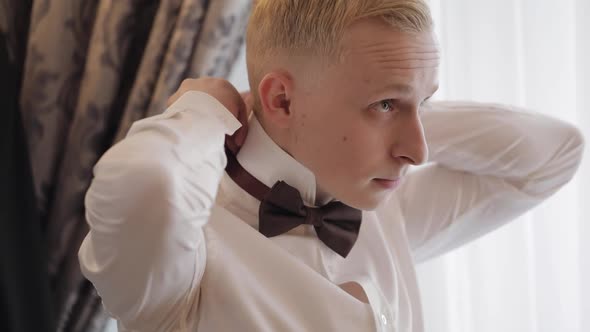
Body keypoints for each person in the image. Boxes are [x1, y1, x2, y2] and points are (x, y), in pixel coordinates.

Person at [78, 1, 585, 331]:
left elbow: (555, 152)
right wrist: (204, 111)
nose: (419, 152)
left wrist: (402, 103)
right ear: (282, 100)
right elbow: (147, 184)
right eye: (384, 105)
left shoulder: (385, 206)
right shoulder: (180, 251)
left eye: (422, 103)